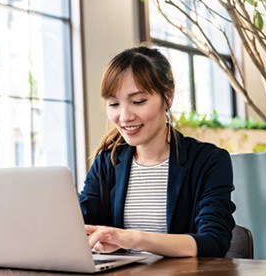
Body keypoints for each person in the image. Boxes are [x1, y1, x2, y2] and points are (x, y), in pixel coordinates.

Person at [79, 46, 236, 257]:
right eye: (114, 104)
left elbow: (214, 241)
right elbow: (79, 221)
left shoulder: (209, 161)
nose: (124, 117)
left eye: (138, 101)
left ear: (168, 97)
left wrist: (133, 238)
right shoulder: (108, 163)